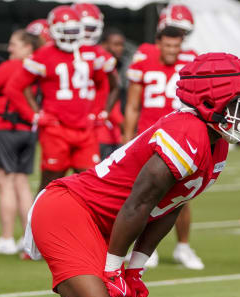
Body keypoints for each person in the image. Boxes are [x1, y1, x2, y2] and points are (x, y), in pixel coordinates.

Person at [25, 52, 240, 297]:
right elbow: (139, 203)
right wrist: (113, 268)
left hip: (106, 223)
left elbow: (169, 206)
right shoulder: (188, 132)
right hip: (70, 212)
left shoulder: (216, 144)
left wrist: (134, 267)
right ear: (211, 100)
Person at [124, 4, 205, 270]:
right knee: (144, 194)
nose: (173, 48)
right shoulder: (144, 56)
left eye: (179, 39)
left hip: (180, 137)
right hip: (149, 136)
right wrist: (127, 137)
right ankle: (142, 248)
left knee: (182, 195)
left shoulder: (192, 58)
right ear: (159, 39)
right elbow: (133, 104)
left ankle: (183, 246)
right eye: (169, 41)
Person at [5, 6, 116, 191]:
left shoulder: (91, 52)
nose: (70, 36)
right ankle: (36, 220)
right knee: (50, 186)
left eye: (73, 31)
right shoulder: (44, 55)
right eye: (65, 32)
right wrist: (34, 116)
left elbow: (103, 84)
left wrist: (98, 112)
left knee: (91, 186)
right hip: (56, 129)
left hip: (84, 130)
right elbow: (14, 88)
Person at [0, 30, 42, 255]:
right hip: (28, 129)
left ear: (28, 48)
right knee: (22, 184)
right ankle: (28, 238)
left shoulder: (15, 66)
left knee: (5, 183)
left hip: (4, 127)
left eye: (15, 44)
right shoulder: (38, 68)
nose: (10, 49)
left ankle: (6, 237)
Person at [72, 3, 123, 161]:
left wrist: (104, 112)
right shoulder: (57, 53)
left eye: (91, 28)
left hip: (92, 127)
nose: (87, 33)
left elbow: (115, 86)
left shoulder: (100, 56)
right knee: (53, 175)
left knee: (89, 178)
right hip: (64, 124)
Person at [98, 27, 126, 159]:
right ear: (104, 44)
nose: (120, 48)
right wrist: (123, 124)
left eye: (121, 45)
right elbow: (104, 98)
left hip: (113, 132)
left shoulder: (114, 66)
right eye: (115, 44)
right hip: (103, 131)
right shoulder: (101, 67)